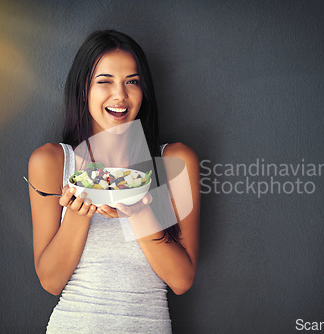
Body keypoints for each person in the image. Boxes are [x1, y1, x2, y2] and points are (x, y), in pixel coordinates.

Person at [27, 29, 200, 333]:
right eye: (104, 81)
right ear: (84, 91)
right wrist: (79, 214)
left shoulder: (176, 161)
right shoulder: (51, 162)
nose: (120, 95)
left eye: (132, 82)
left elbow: (182, 280)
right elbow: (51, 282)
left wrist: (138, 213)